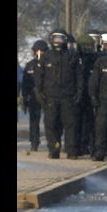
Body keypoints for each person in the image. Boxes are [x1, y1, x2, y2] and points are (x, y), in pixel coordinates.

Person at [35, 29, 83, 159]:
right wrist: (39, 93)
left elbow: (79, 76)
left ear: (65, 40)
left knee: (70, 124)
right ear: (51, 40)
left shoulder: (72, 56)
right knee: (51, 125)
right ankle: (54, 149)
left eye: (60, 39)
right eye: (55, 39)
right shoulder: (46, 57)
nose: (58, 41)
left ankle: (71, 151)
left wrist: (79, 92)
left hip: (68, 97)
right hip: (50, 97)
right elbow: (39, 77)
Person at [22, 40, 49, 152]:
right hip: (33, 96)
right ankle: (34, 142)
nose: (39, 53)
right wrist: (24, 98)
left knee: (50, 121)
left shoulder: (49, 64)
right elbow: (25, 84)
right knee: (34, 121)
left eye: (41, 51)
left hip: (47, 95)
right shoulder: (30, 65)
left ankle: (51, 142)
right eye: (37, 51)